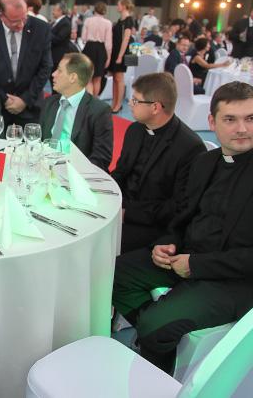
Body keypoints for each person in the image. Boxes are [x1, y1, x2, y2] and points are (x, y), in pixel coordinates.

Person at [113, 81, 253, 374]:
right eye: (230, 119)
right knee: (113, 276)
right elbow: (182, 218)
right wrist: (168, 243)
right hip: (186, 257)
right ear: (212, 122)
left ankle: (156, 354)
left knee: (154, 325)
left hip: (234, 280)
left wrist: (196, 265)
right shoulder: (204, 162)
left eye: (250, 118)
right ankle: (158, 339)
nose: (242, 128)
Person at [111, 73, 205, 253]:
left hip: (152, 225)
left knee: (100, 244)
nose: (130, 104)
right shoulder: (135, 129)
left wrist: (128, 213)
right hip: (121, 208)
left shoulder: (189, 147)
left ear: (155, 107)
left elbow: (177, 206)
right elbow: (121, 172)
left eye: (135, 100)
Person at [0, 0, 52, 128]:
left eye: (24, 18)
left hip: (30, 107)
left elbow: (45, 67)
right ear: (1, 16)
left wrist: (25, 100)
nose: (21, 25)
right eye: (15, 21)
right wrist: (5, 99)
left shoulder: (41, 29)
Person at [41, 53, 112, 171]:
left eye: (59, 71)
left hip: (76, 173)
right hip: (44, 169)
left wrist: (71, 173)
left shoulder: (98, 111)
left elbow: (101, 158)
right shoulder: (49, 103)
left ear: (73, 77)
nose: (53, 74)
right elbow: (39, 140)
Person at [108, 0, 135, 114]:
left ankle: (118, 104)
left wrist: (120, 56)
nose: (117, 7)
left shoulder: (129, 20)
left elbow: (126, 39)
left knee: (119, 78)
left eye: (118, 5)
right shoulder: (120, 20)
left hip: (122, 52)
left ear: (124, 6)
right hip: (115, 51)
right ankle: (114, 103)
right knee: (115, 78)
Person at [81, 2, 112, 96]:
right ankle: (95, 100)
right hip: (101, 50)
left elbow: (83, 38)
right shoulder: (108, 23)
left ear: (94, 10)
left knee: (88, 77)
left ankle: (89, 99)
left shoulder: (88, 21)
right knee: (98, 78)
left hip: (89, 48)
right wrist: (109, 57)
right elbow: (108, 43)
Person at [50, 2, 72, 77]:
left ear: (60, 11)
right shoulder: (55, 22)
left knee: (56, 78)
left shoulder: (66, 23)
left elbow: (59, 39)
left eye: (54, 10)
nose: (52, 12)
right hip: (53, 55)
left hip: (58, 57)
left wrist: (47, 33)